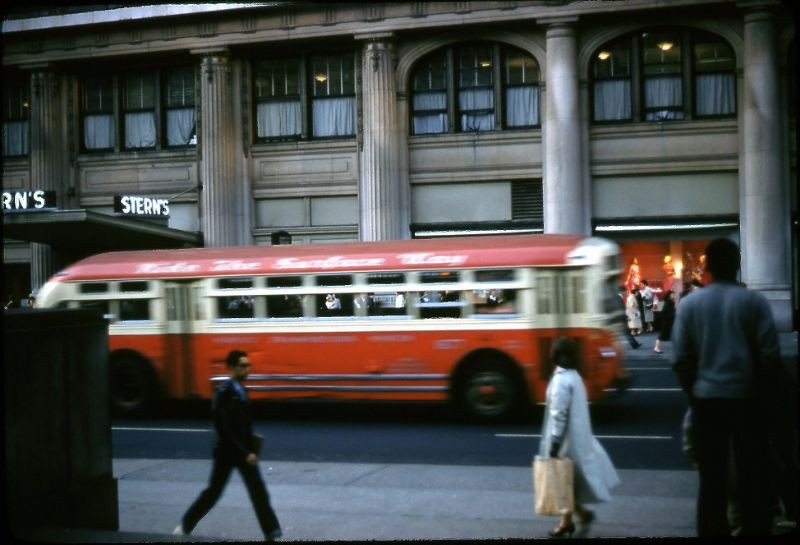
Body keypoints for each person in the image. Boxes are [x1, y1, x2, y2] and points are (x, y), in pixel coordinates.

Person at [671, 238, 783, 537]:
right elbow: (770, 358)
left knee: (712, 483)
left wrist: (695, 395)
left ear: (707, 266)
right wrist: (762, 399)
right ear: (736, 265)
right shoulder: (754, 303)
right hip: (747, 401)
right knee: (751, 478)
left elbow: (680, 359)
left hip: (707, 402)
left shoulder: (690, 304)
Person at [174, 350, 282, 540]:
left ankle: (271, 532)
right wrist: (246, 453)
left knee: (259, 492)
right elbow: (224, 429)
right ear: (231, 368)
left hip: (244, 451)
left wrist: (252, 450)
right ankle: (186, 525)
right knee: (213, 493)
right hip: (226, 453)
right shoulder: (223, 394)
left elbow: (246, 427)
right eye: (243, 366)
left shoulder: (242, 392)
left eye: (248, 365)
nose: (247, 369)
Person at [539, 337, 620, 538]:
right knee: (567, 482)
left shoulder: (560, 380)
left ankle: (571, 520)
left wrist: (554, 442)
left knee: (562, 480)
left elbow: (558, 415)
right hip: (578, 439)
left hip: (564, 441)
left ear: (555, 355)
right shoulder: (575, 377)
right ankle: (574, 518)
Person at [653, 289, 675, 354]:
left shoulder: (670, 302)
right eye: (673, 295)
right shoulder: (666, 303)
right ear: (669, 296)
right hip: (666, 322)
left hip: (668, 321)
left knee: (667, 334)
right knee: (662, 335)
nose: (674, 296)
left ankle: (656, 347)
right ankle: (656, 347)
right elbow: (665, 313)